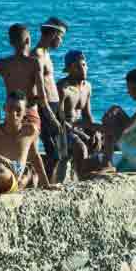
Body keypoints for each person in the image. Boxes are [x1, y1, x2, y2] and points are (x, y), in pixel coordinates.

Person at [0, 24, 45, 133]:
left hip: (11, 112)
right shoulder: (34, 63)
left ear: (11, 43)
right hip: (29, 111)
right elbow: (42, 96)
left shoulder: (3, 64)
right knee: (29, 146)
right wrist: (51, 116)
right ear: (28, 40)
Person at [55, 50, 101, 183]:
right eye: (78, 66)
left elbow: (87, 115)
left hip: (79, 127)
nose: (83, 69)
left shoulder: (87, 87)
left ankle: (84, 176)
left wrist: (95, 132)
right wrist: (82, 135)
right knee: (81, 147)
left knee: (101, 139)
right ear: (69, 69)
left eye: (84, 65)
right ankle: (80, 181)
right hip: (64, 129)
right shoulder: (63, 88)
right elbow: (59, 119)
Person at [32, 18, 68, 179]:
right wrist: (49, 114)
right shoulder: (37, 55)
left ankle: (55, 182)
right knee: (53, 151)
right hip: (45, 106)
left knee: (63, 151)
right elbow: (38, 88)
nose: (61, 41)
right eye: (61, 37)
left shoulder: (46, 54)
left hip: (55, 105)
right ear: (53, 34)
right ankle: (45, 185)